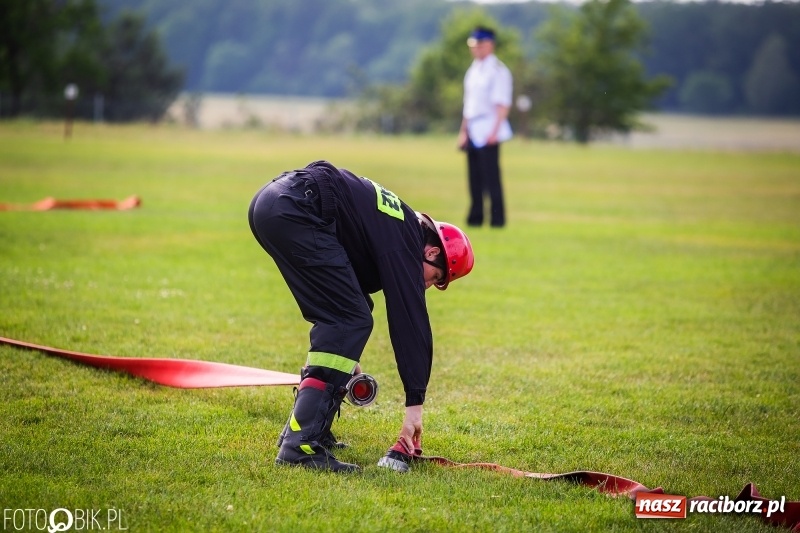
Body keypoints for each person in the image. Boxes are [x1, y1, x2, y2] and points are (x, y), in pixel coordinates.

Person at [248, 160, 475, 473]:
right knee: (347, 319)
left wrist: (347, 355)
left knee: (350, 314)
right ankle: (300, 447)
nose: (428, 286)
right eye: (436, 278)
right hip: (296, 209)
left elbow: (352, 291)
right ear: (433, 252)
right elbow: (411, 324)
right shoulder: (406, 240)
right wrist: (415, 406)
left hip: (274, 202)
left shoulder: (399, 226)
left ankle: (308, 431)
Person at [457, 26, 513, 228]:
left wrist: (494, 131)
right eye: (474, 45)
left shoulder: (497, 70)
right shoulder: (473, 70)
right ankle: (476, 216)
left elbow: (502, 104)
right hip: (473, 126)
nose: (476, 48)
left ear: (490, 45)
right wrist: (463, 131)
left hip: (489, 125)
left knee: (491, 177)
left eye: (480, 44)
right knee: (474, 177)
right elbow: (468, 105)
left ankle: (497, 219)